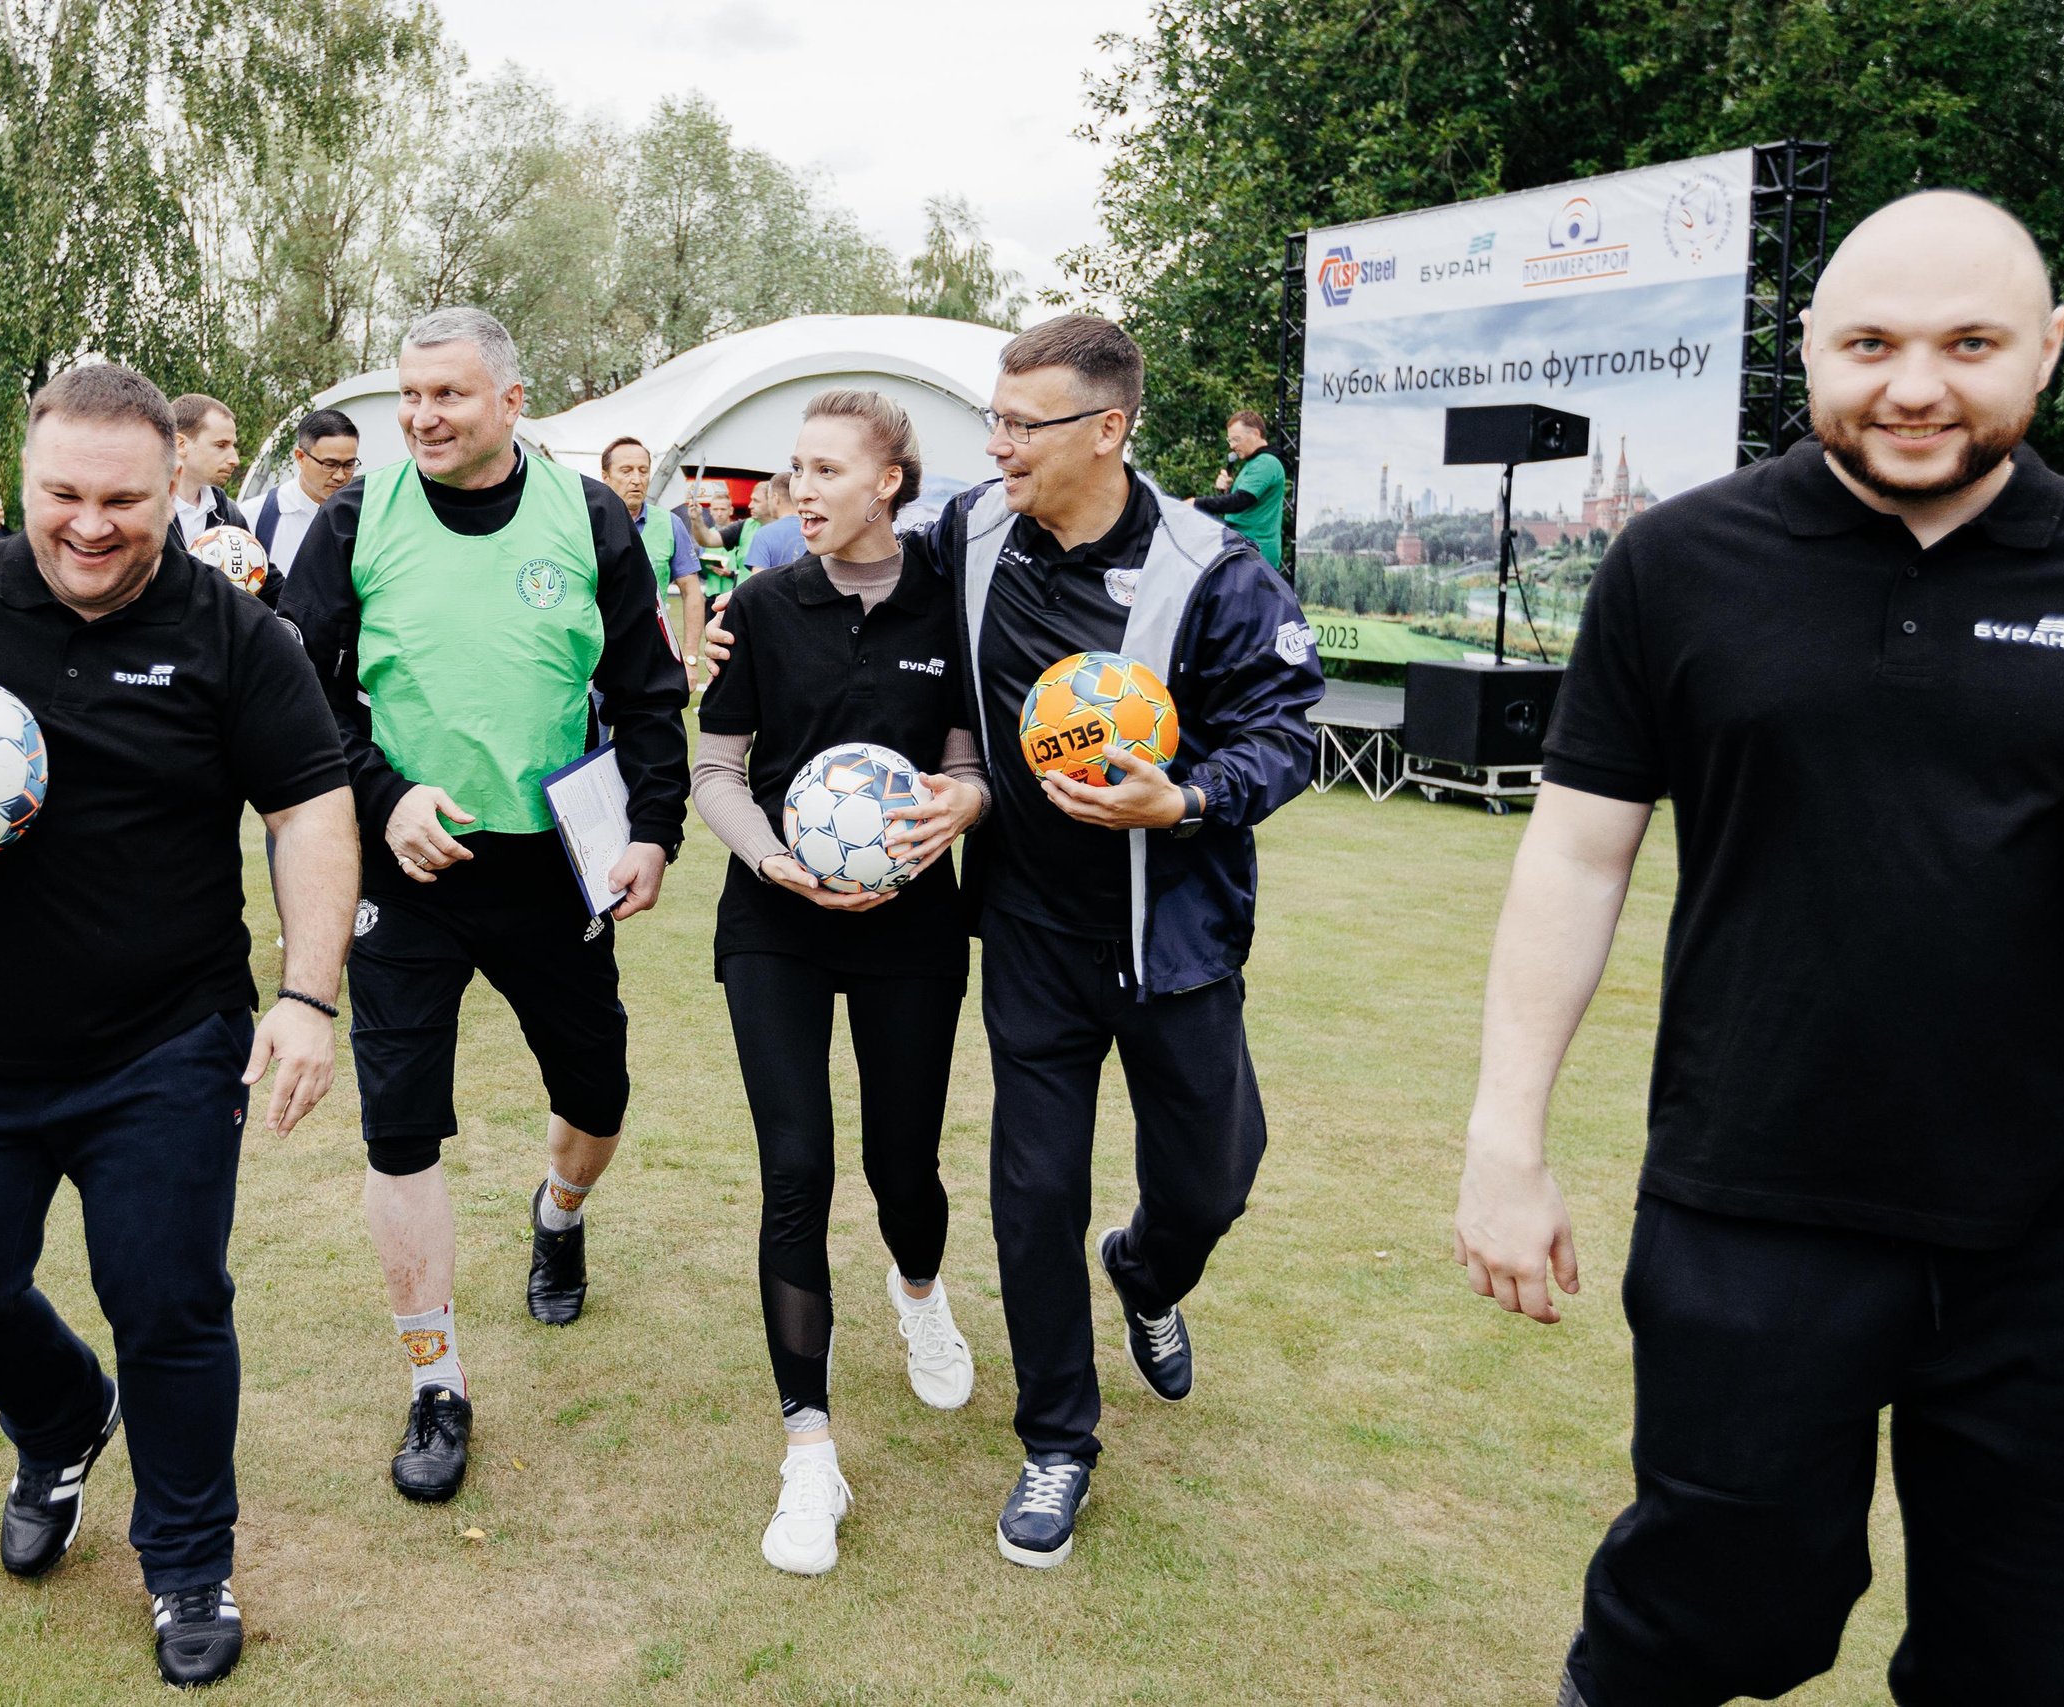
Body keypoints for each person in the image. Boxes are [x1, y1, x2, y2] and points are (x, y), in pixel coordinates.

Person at [1456, 191, 2064, 1707]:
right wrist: (1504, 1136)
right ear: (1807, 348)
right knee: (1712, 1615)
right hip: (1752, 1205)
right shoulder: (1683, 562)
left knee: (2036, 1655)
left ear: (2048, 353)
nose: (1916, 385)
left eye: (1970, 343)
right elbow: (1579, 847)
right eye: (1870, 341)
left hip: (2054, 1239)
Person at [0, 362, 357, 1691]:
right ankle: (58, 1415)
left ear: (174, 486)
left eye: (123, 499)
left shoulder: (229, 632)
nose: (91, 523)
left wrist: (309, 995)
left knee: (169, 1303)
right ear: (25, 480)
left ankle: (188, 1559)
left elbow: (310, 807)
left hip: (166, 1038)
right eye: (63, 495)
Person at [709, 314, 1321, 1569]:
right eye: (989, 422)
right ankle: (1057, 1443)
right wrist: (743, 624)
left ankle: (1146, 1275)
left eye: (1020, 426)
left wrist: (1186, 798)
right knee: (1031, 1193)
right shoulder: (975, 533)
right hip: (1031, 931)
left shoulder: (1211, 570)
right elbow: (858, 576)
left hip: (1174, 938)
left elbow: (1287, 731)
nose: (995, 448)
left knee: (1209, 1180)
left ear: (1106, 430)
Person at [278, 306, 689, 1510]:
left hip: (551, 866)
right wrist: (386, 798)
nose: (421, 417)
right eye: (410, 398)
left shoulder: (590, 514)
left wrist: (655, 827)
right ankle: (435, 1383)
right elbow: (299, 696)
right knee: (398, 1127)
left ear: (513, 403)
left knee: (597, 1094)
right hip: (407, 873)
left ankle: (557, 1215)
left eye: (448, 395)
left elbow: (648, 692)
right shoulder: (358, 517)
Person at [694, 389, 991, 1576]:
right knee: (796, 1169)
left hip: (912, 923)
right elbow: (717, 766)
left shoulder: (953, 601)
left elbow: (965, 759)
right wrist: (772, 856)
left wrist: (957, 805)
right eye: (790, 471)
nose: (796, 491)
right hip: (775, 920)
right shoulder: (761, 605)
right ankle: (807, 1452)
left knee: (899, 1166)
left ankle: (918, 1286)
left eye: (823, 470)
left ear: (891, 480)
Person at [598, 436, 708, 688]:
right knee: (592, 729)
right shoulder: (586, 522)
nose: (636, 479)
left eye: (643, 471)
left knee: (646, 728)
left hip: (650, 661)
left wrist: (690, 659)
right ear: (605, 476)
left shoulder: (670, 524)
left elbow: (692, 593)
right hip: (597, 662)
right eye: (626, 471)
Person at [249, 408, 360, 602]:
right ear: (301, 457)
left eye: (349, 465)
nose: (340, 475)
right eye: (330, 464)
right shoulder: (255, 515)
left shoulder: (366, 516)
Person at [1194, 409, 1286, 571]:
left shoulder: (1266, 462)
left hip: (1256, 554)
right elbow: (1246, 506)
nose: (1232, 446)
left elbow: (1240, 501)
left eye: (1237, 439)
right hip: (1246, 550)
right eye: (1230, 440)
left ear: (1256, 433)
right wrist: (1227, 491)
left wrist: (1195, 503)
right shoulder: (1254, 462)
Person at [168, 394, 250, 552]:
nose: (235, 459)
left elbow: (261, 572)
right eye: (221, 445)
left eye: (233, 445)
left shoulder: (228, 513)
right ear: (181, 445)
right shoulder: (143, 511)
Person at [744, 474, 806, 572]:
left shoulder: (764, 535)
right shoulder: (814, 529)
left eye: (769, 498)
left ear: (775, 498)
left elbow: (758, 583)